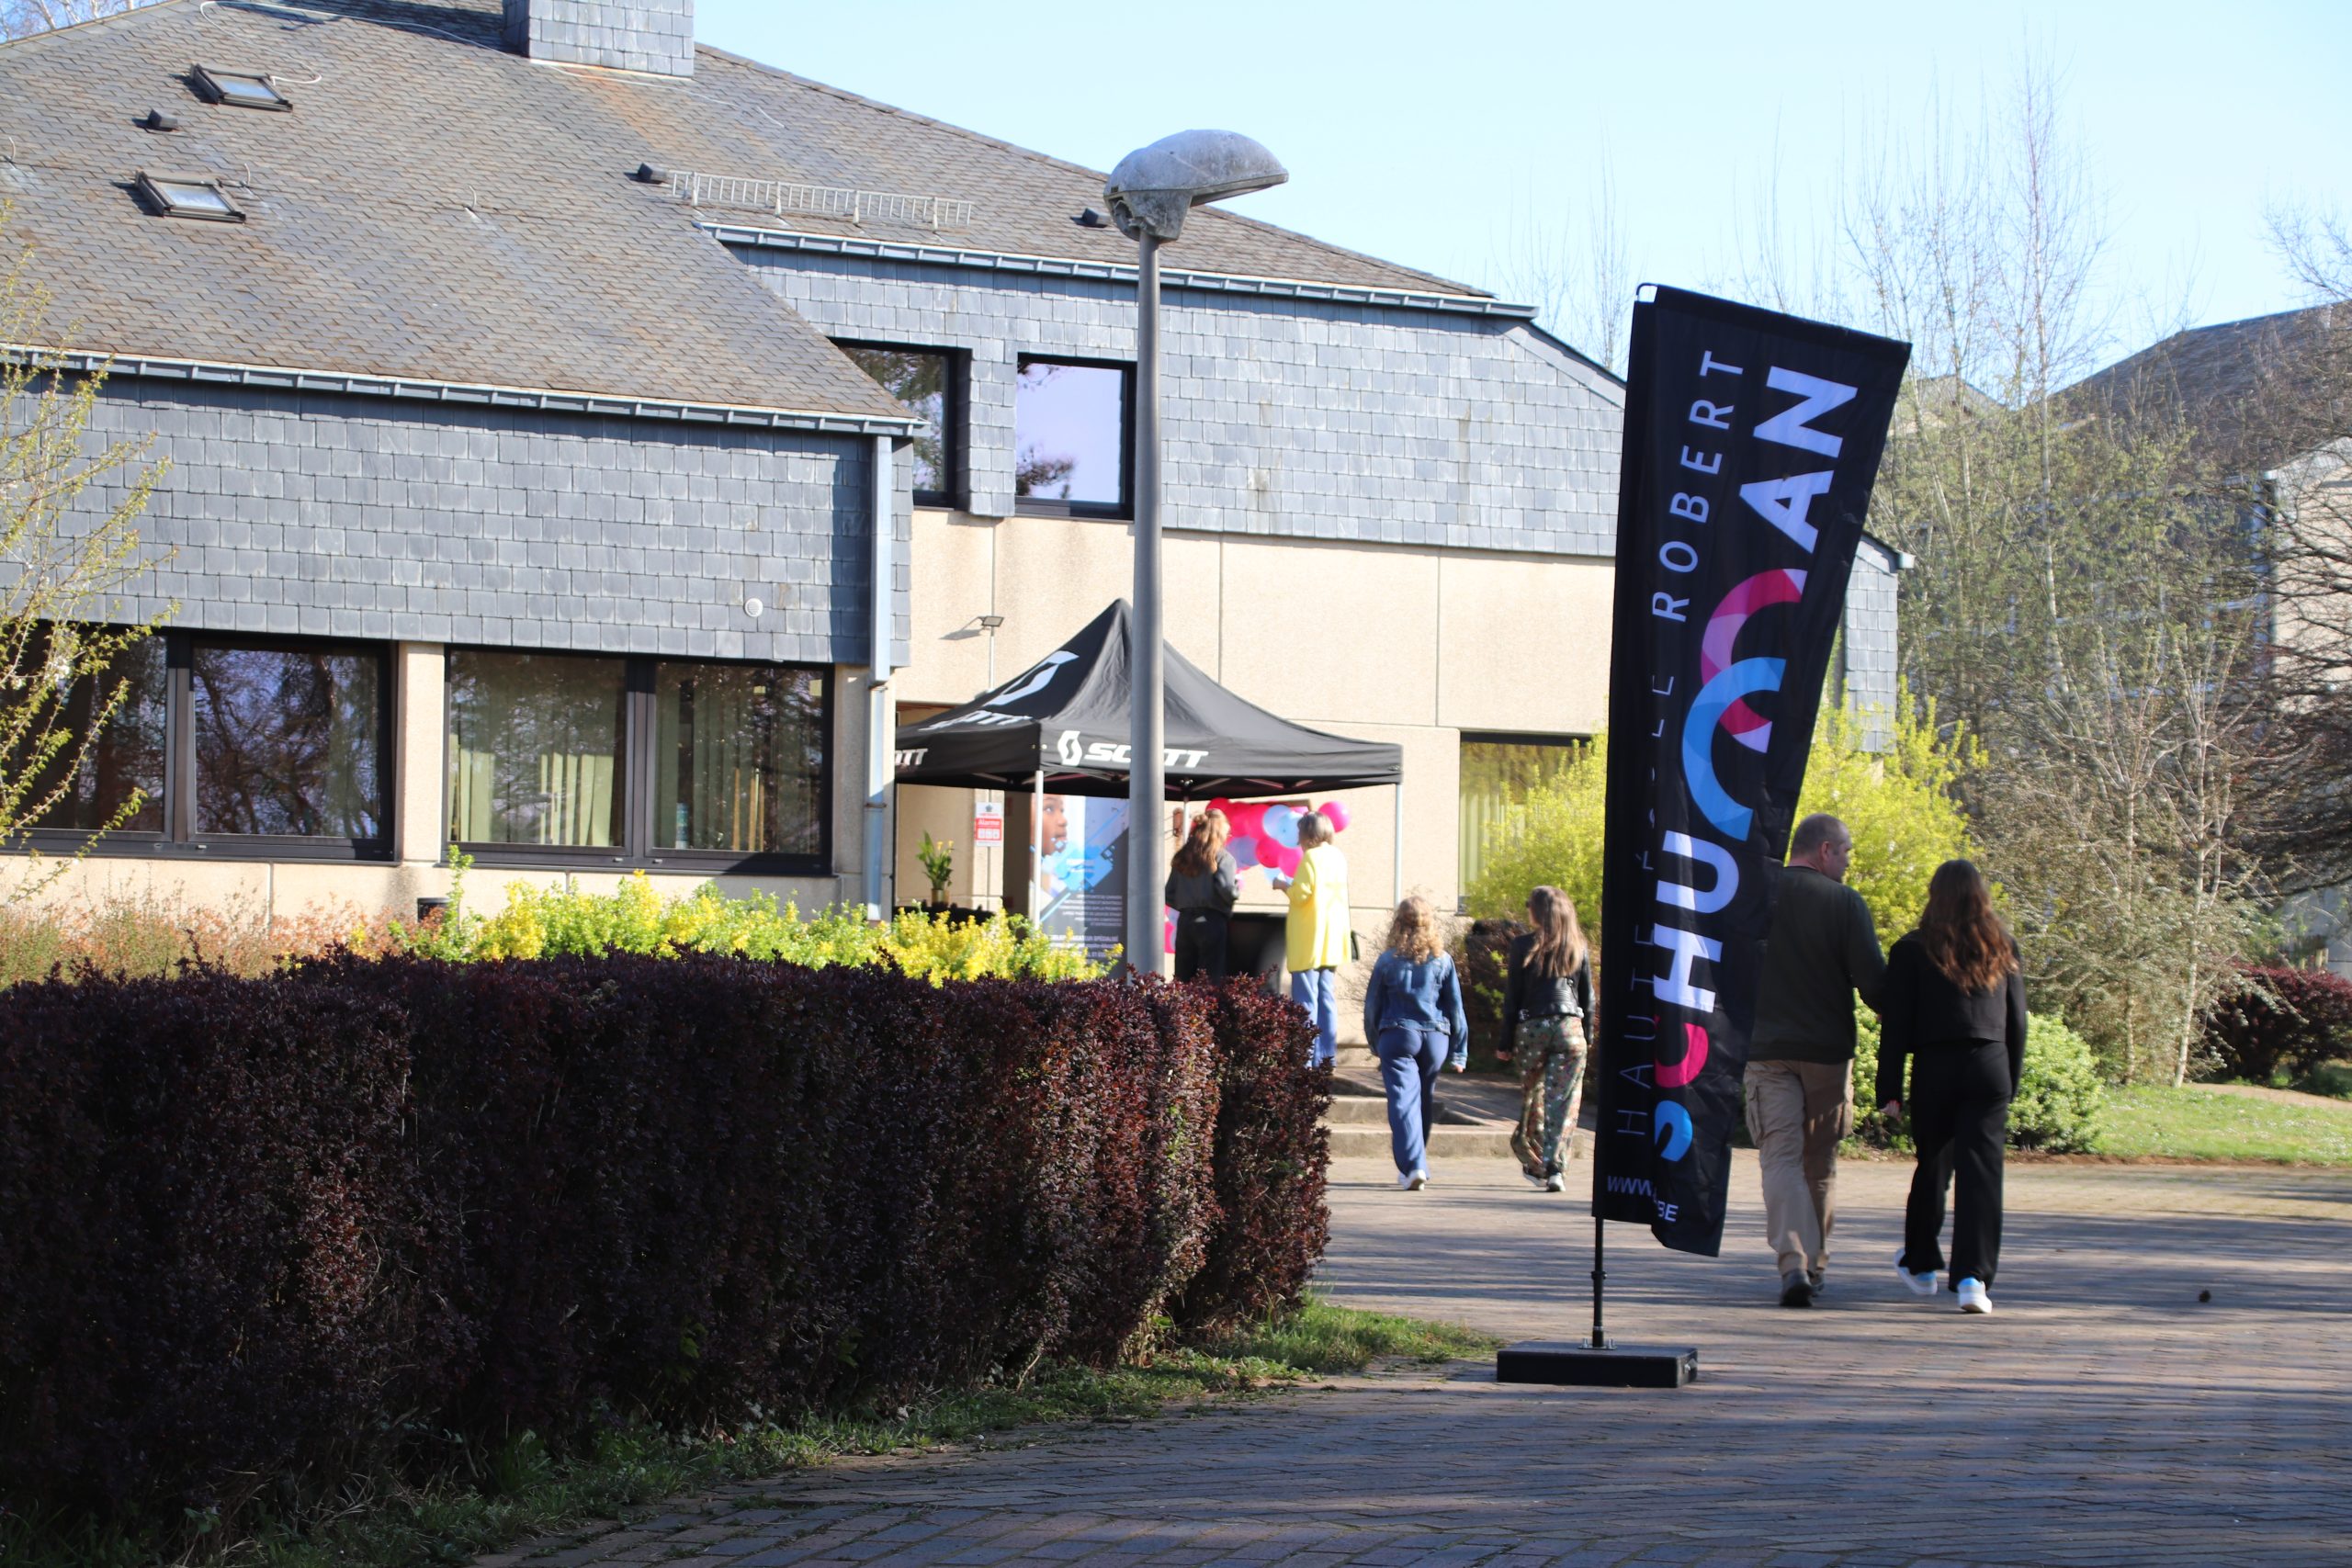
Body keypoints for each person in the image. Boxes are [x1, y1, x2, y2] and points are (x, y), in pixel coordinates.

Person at [1747, 813, 1887, 1308]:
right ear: (1826, 850)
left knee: (1779, 1157)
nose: (1848, 863)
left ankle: (1791, 1263)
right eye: (1846, 852)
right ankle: (1816, 1264)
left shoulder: (1755, 895)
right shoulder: (1845, 903)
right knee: (1820, 1162)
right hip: (1828, 1052)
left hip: (1766, 1052)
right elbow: (1875, 985)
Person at [1877, 859, 2027, 1316]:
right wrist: (2010, 1081)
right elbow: (2017, 1021)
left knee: (1933, 1165)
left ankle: (1922, 1265)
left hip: (1937, 1065)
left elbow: (1897, 1026)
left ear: (1934, 894)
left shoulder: (1912, 949)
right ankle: (1972, 1279)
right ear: (1981, 895)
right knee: (1983, 1175)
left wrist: (1889, 1088)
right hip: (1990, 1063)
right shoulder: (2003, 946)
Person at [1361, 895, 1469, 1190]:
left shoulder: (1387, 961)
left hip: (1397, 1035)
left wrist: (1374, 1042)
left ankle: (1414, 1166)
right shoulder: (1443, 960)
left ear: (1398, 923)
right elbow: (1456, 1008)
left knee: (1403, 1101)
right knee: (1423, 1099)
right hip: (1436, 1038)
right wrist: (1460, 1052)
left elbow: (1372, 1007)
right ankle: (1416, 1162)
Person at [1500, 886, 1594, 1193]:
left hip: (1534, 1028)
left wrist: (1504, 1042)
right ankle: (1556, 1168)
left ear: (1537, 912)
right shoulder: (1577, 945)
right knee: (1564, 1100)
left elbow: (1513, 996)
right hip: (1570, 1027)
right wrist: (1588, 1036)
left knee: (1534, 1098)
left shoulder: (1523, 945)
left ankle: (1535, 1160)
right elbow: (1587, 997)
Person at [1271, 810, 1350, 1066]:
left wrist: (1283, 885)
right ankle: (1326, 1058)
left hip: (1309, 939)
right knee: (1327, 998)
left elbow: (1301, 895)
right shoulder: (1337, 857)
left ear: (1307, 834)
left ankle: (1304, 1059)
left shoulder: (1310, 858)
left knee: (1306, 1000)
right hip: (1332, 939)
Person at [1165, 808, 1238, 982]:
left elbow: (1168, 894)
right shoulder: (1222, 857)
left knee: (1183, 978)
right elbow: (1226, 889)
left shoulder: (1183, 857)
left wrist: (1186, 904)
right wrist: (1235, 893)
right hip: (1211, 922)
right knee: (1210, 980)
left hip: (1185, 922)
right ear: (1221, 831)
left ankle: (1181, 1010)